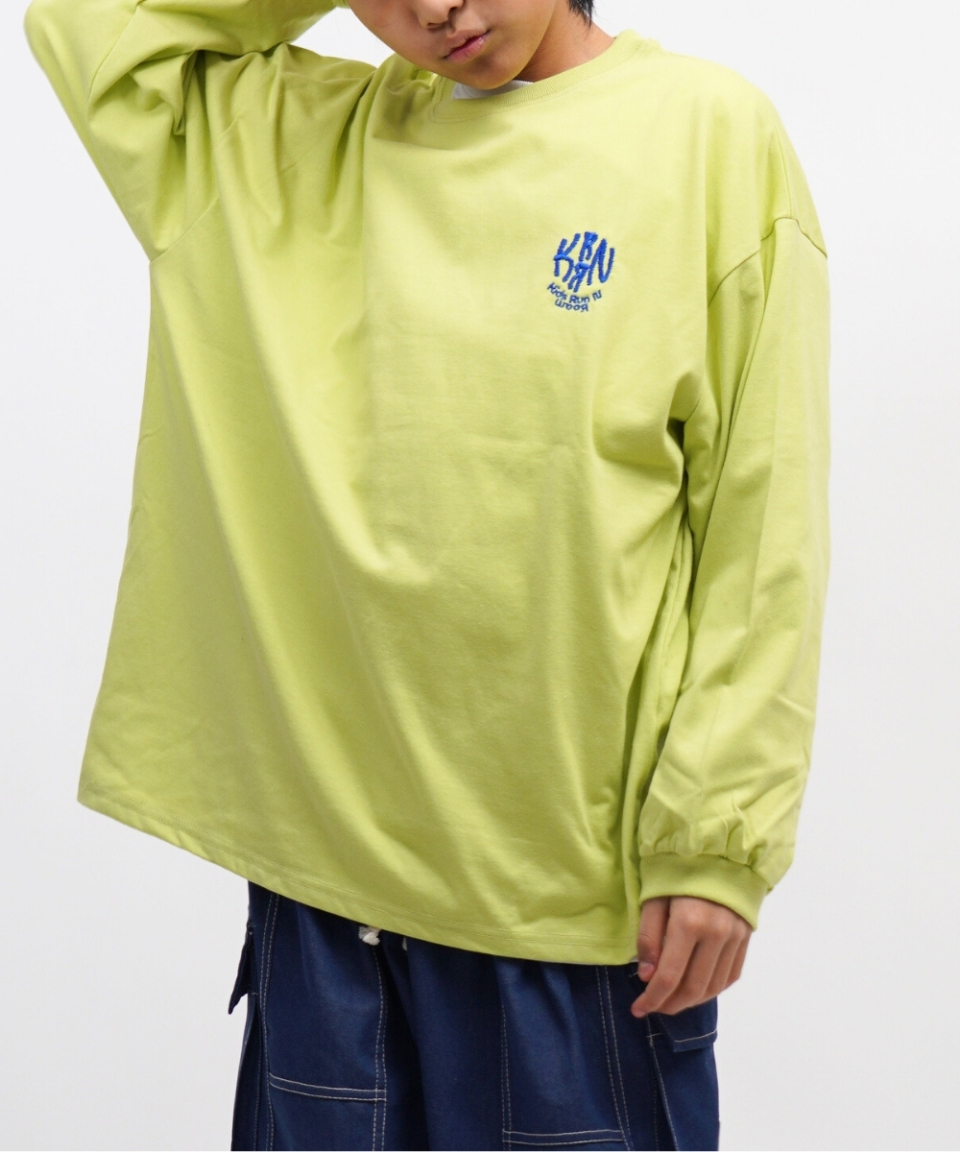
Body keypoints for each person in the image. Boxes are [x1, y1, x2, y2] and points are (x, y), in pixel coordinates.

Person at [24, 0, 830, 1147]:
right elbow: (86, 21)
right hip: (327, 908)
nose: (438, 8)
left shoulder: (707, 135)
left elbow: (761, 522)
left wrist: (717, 842)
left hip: (570, 910)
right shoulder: (274, 143)